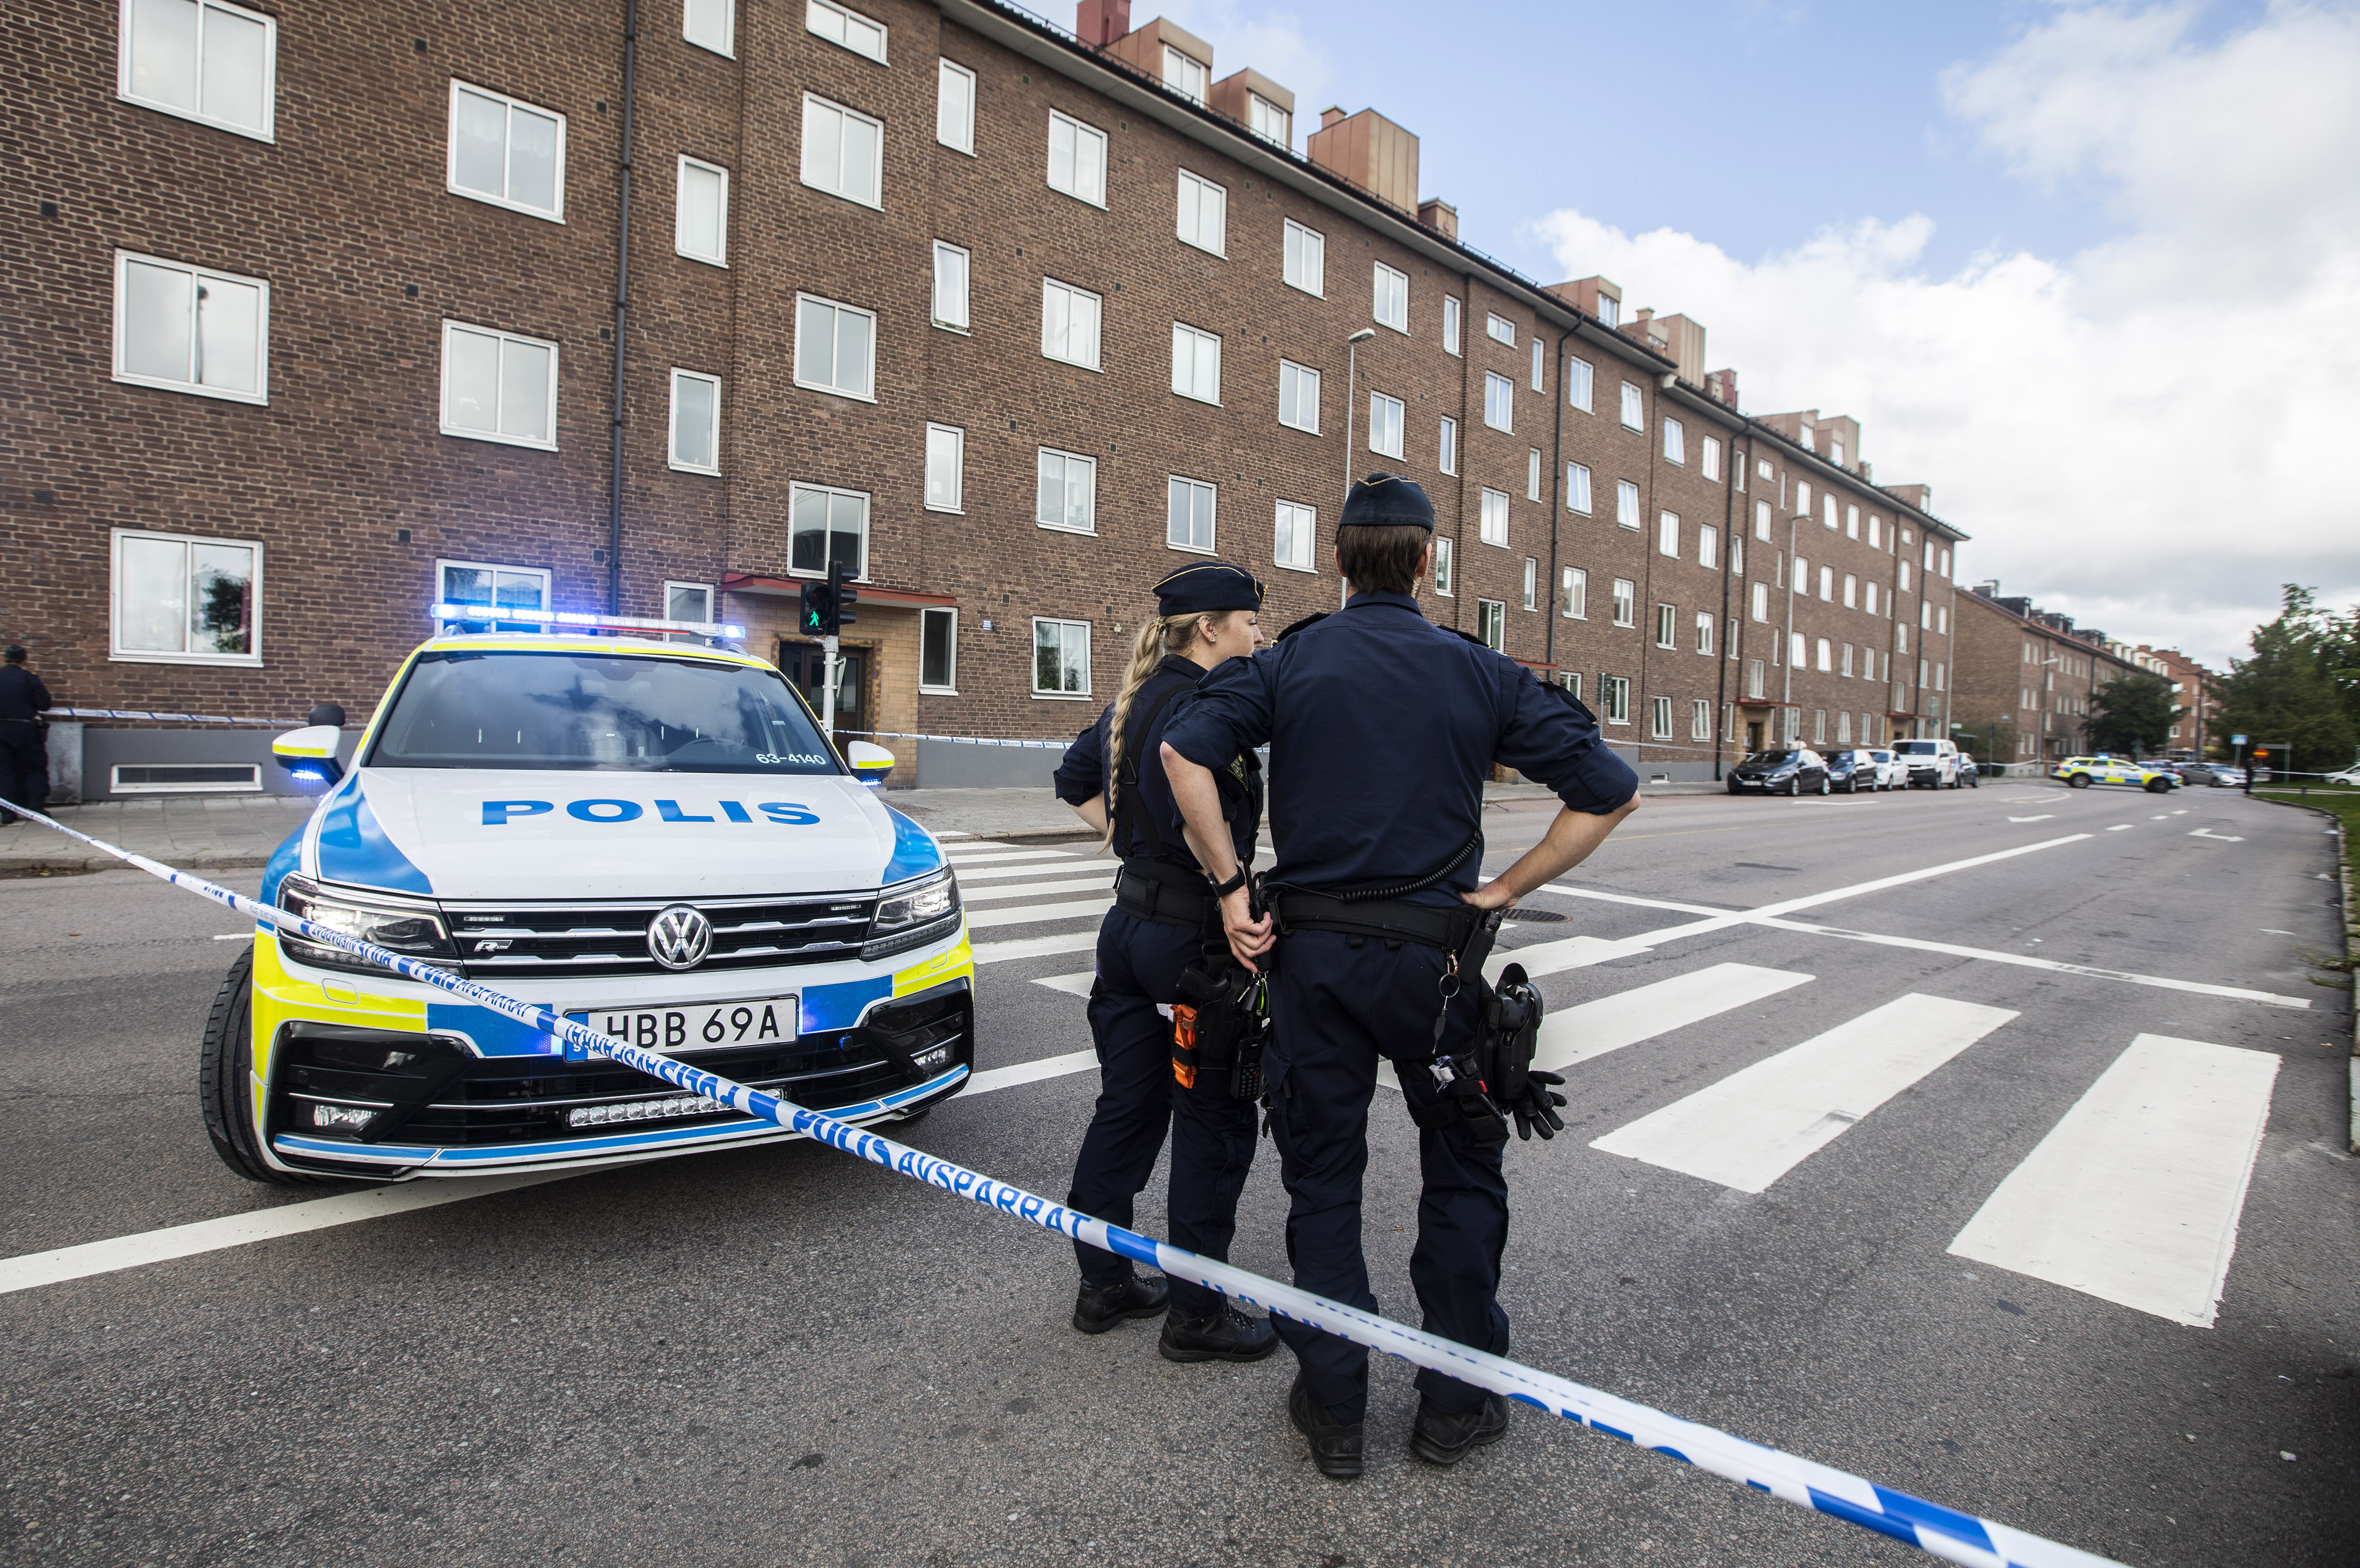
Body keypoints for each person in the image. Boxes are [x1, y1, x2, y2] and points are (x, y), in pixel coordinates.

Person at [1160, 474, 1640, 1480]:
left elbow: (1181, 748)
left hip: (1315, 965)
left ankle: (1335, 1404)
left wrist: (1230, 886)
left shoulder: (1288, 660)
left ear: (1337, 562)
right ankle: (1453, 1403)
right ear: (1429, 561)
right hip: (1433, 969)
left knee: (1322, 1179)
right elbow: (1607, 790)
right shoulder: (1477, 670)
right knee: (1461, 1168)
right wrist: (1506, 884)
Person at [1049, 561, 1278, 1363]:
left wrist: (1130, 845)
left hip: (1129, 931)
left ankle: (1102, 1282)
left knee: (1130, 1105)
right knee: (1211, 1121)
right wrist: (1224, 883)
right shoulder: (1205, 705)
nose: (1259, 633)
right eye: (1250, 620)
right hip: (1193, 942)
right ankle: (1196, 1314)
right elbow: (1190, 798)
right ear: (1209, 627)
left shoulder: (1138, 697)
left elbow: (1073, 778)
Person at [0, 646, 53, 826]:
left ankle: (6, 813)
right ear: (24, 660)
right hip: (25, 729)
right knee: (34, 768)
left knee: (4, 771)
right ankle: (36, 808)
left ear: (5, 659)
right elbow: (44, 704)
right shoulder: (29, 677)